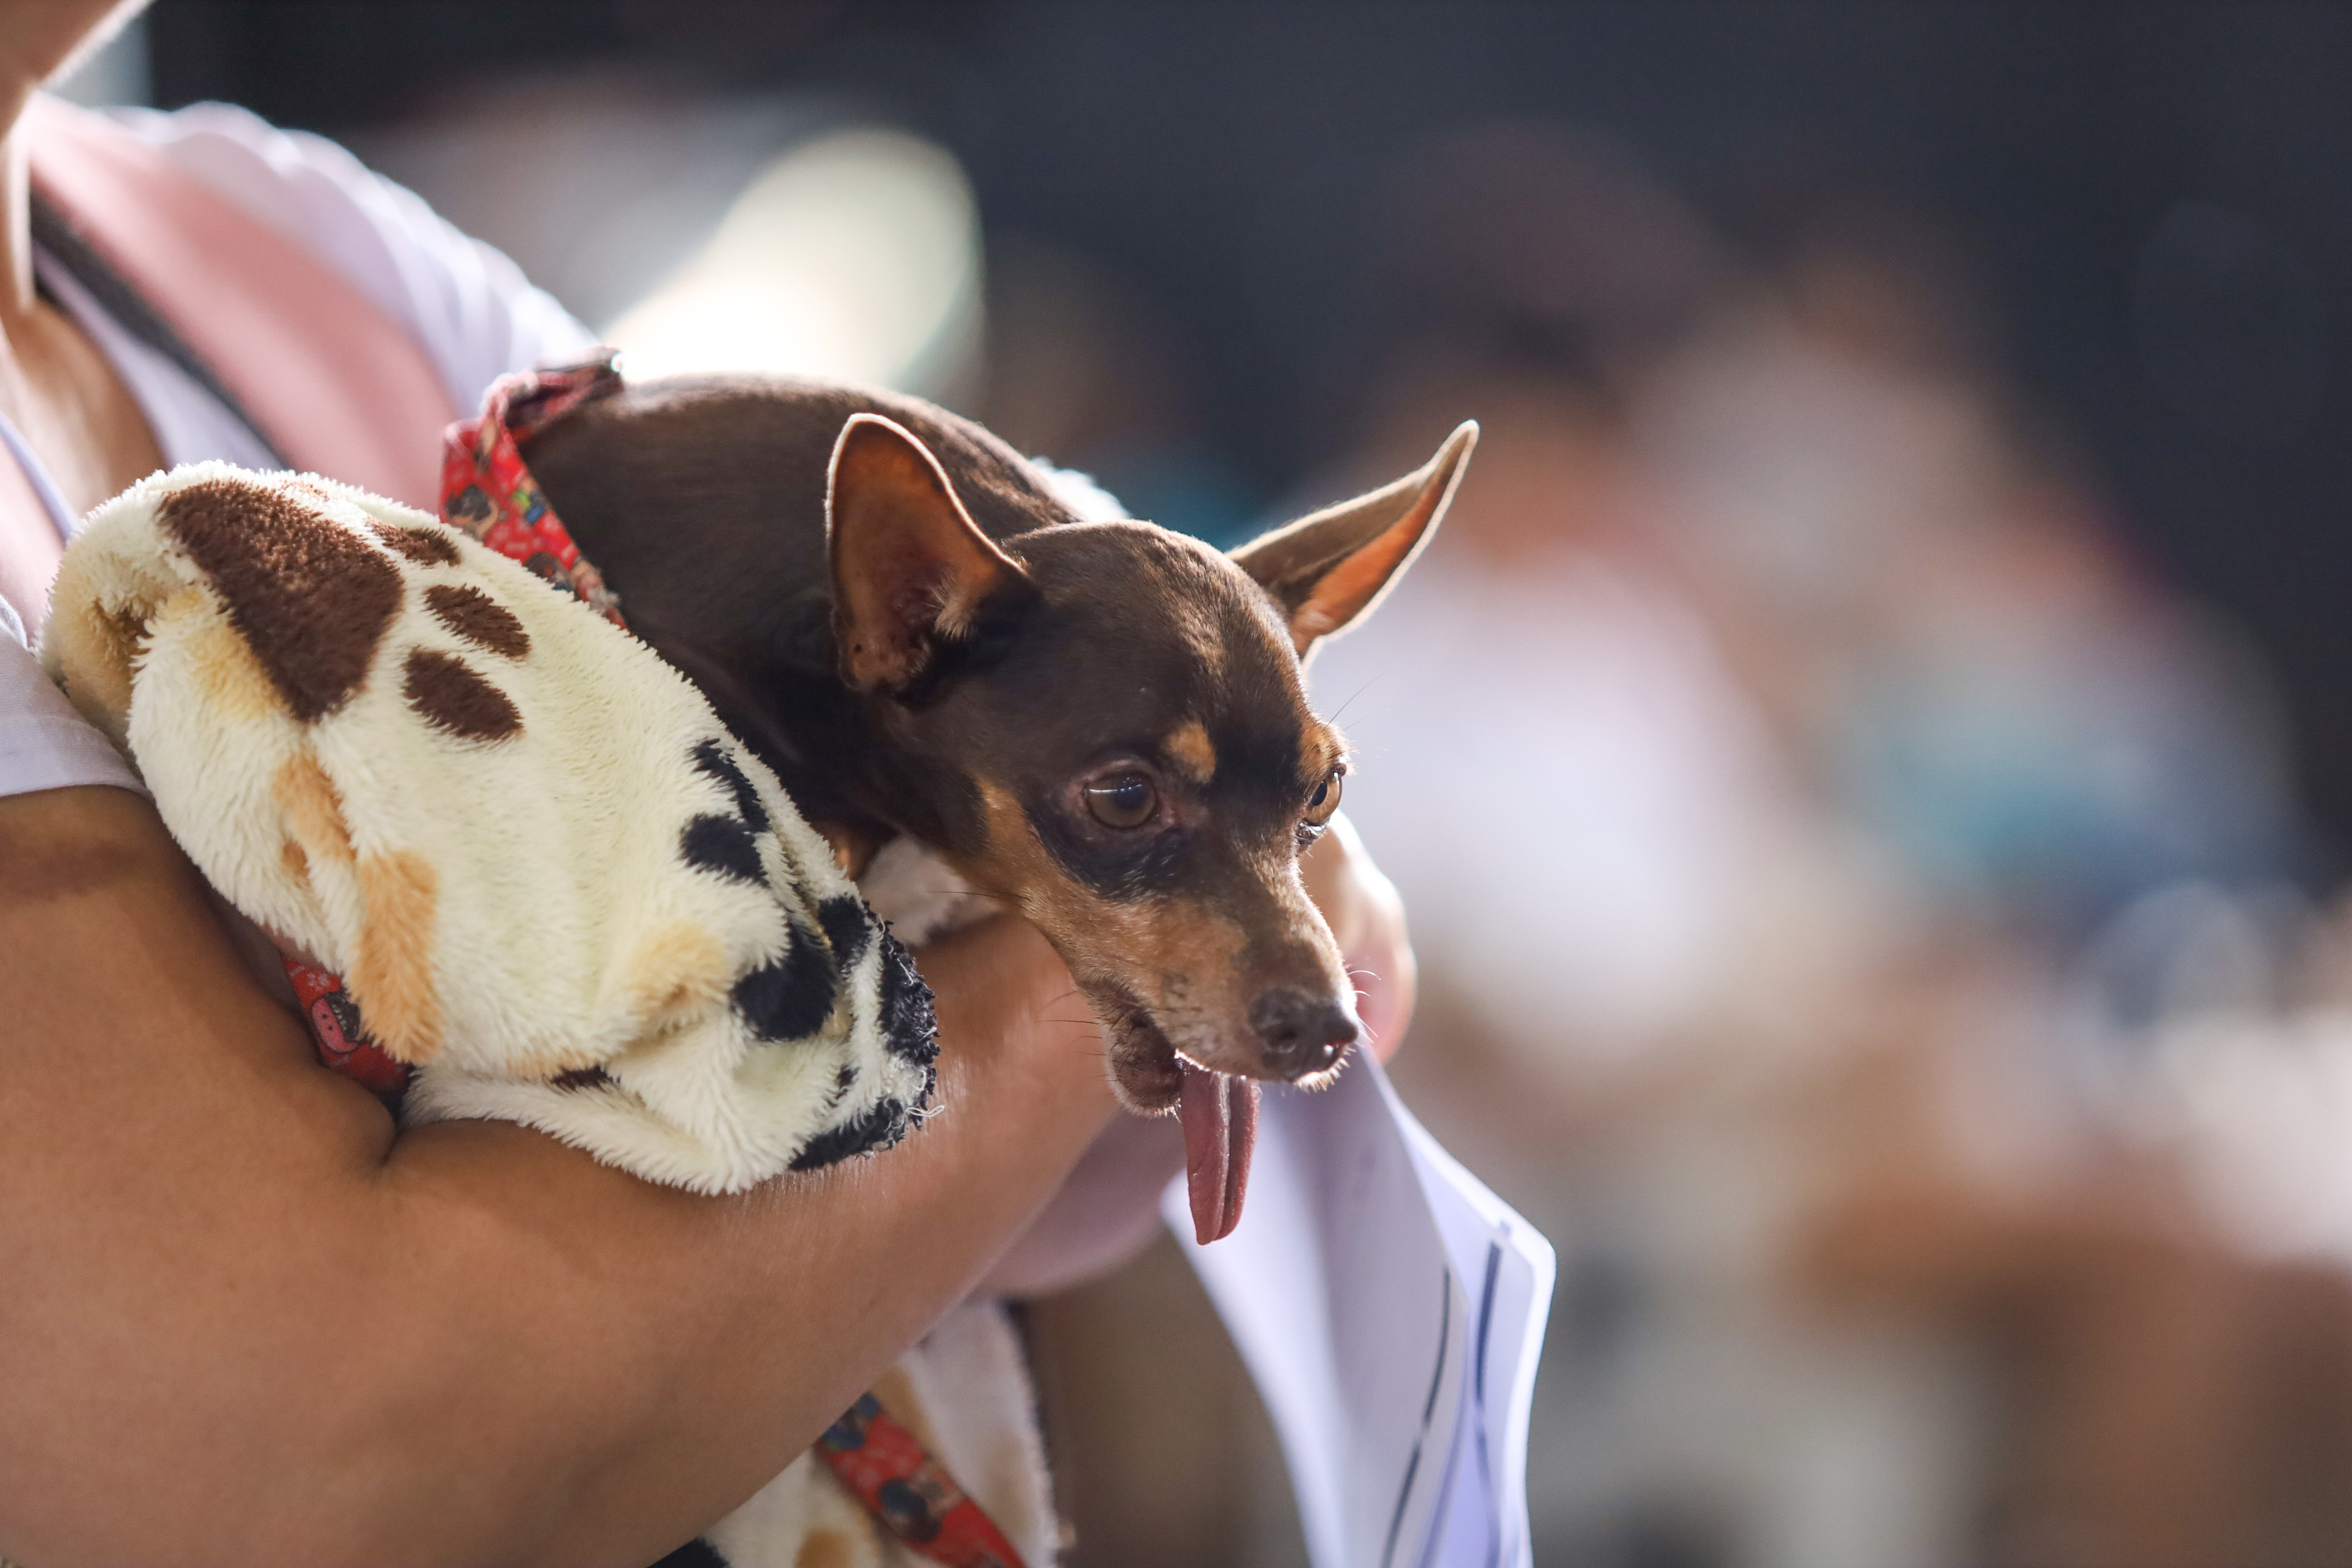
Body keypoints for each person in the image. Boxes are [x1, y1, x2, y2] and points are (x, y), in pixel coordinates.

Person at [0, 4, 1414, 1563]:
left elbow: (1326, 887)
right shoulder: (304, 272)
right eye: (1132, 806)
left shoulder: (275, 239)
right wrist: (1043, 1003)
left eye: (1302, 804)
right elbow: (317, 1466)